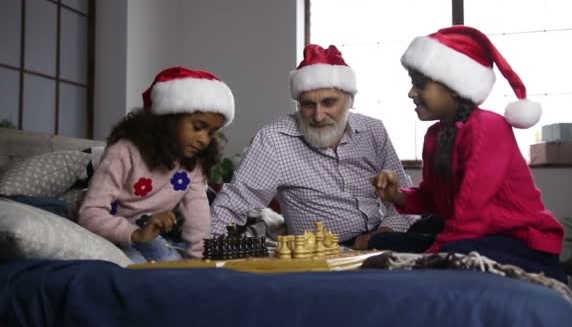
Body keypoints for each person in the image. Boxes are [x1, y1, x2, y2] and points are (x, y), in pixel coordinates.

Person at [371, 25, 567, 280]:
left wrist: (429, 258)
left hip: (519, 241)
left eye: (420, 85)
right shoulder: (435, 136)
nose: (411, 93)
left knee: (443, 253)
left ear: (454, 87)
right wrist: (397, 196)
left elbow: (471, 214)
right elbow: (435, 200)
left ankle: (562, 278)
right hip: (478, 235)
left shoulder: (488, 128)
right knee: (385, 241)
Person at [211, 44, 419, 249]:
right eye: (308, 104)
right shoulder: (274, 139)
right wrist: (204, 255)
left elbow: (402, 198)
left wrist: (386, 233)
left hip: (381, 238)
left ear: (350, 100)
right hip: (323, 251)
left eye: (329, 103)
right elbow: (233, 203)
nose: (318, 116)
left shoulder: (373, 130)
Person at [78, 66, 235, 263]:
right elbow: (89, 214)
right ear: (168, 120)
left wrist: (199, 263)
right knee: (135, 267)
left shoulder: (194, 163)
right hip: (106, 230)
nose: (204, 139)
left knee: (171, 260)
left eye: (211, 132)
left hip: (148, 234)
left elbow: (198, 219)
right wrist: (135, 234)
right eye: (198, 127)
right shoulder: (124, 151)